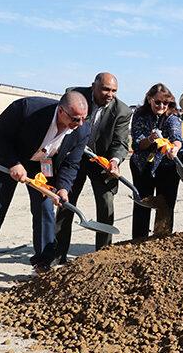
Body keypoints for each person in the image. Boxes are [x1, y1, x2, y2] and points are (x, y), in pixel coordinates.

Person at [0, 92, 90, 286]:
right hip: (6, 160)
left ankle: (43, 262)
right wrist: (13, 163)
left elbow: (71, 164)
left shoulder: (81, 131)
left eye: (84, 118)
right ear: (61, 111)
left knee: (44, 210)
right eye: (75, 119)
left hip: (41, 165)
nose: (80, 123)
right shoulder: (27, 109)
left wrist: (63, 188)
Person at [55, 73, 131, 264]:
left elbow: (120, 142)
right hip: (74, 158)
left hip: (101, 162)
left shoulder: (122, 111)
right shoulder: (75, 97)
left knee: (106, 204)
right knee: (66, 203)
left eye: (114, 90)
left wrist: (114, 161)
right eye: (105, 89)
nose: (110, 94)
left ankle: (103, 254)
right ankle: (57, 253)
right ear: (93, 87)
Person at [129, 83, 183, 238]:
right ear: (149, 99)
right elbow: (138, 143)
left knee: (165, 206)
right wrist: (150, 139)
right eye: (157, 102)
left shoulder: (172, 117)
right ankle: (139, 240)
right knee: (142, 203)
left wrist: (174, 148)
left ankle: (160, 240)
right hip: (142, 165)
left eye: (165, 103)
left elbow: (177, 138)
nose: (161, 106)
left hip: (168, 166)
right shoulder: (140, 115)